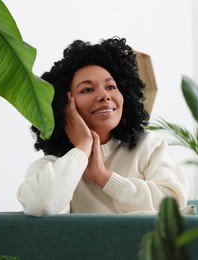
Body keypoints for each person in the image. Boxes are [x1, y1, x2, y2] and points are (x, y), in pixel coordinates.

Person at [17, 37, 189, 216]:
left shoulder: (148, 146)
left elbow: (174, 203)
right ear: (65, 106)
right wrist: (83, 146)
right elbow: (43, 205)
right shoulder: (53, 168)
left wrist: (102, 177)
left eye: (111, 87)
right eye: (87, 90)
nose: (104, 95)